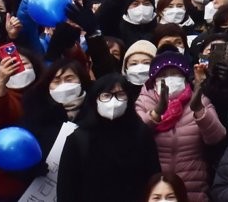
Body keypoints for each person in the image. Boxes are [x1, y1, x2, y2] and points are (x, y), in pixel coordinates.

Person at [135, 50, 226, 202]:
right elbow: (136, 136)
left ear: (185, 78)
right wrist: (157, 112)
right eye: (163, 75)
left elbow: (217, 136)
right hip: (156, 191)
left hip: (193, 188)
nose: (169, 79)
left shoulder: (199, 99)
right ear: (154, 80)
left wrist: (198, 110)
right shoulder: (144, 102)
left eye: (175, 74)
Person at [57, 74, 162, 202]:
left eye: (120, 94)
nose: (114, 101)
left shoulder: (141, 133)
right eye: (106, 95)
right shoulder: (79, 139)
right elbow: (66, 190)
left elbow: (154, 180)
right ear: (95, 100)